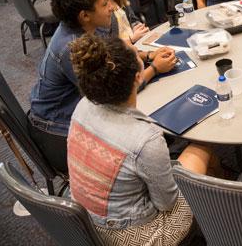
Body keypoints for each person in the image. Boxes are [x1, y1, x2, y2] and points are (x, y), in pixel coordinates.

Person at [67, 33, 216, 245]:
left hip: (85, 222)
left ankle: (213, 186)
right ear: (139, 77)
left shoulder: (83, 106)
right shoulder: (146, 139)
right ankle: (221, 204)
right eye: (137, 54)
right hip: (132, 236)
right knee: (203, 145)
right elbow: (167, 203)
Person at [27, 0, 115, 173]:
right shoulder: (72, 47)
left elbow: (111, 56)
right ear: (85, 15)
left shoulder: (86, 27)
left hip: (70, 112)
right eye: (104, 4)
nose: (111, 7)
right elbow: (107, 96)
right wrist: (150, 70)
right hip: (55, 130)